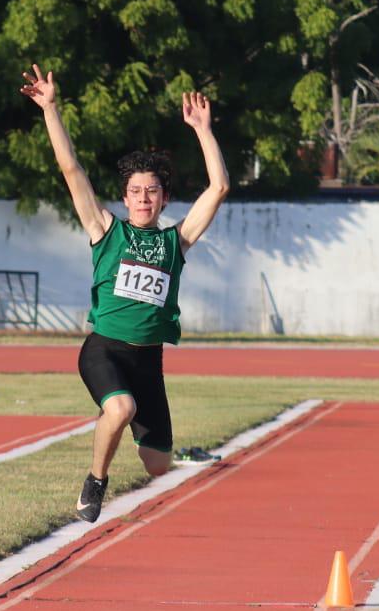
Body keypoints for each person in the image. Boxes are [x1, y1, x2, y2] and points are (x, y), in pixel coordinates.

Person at [21, 63, 230, 523]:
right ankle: (95, 480)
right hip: (105, 351)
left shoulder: (176, 241)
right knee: (120, 407)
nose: (142, 198)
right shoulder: (105, 231)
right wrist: (51, 109)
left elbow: (219, 187)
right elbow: (70, 168)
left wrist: (203, 131)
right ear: (124, 197)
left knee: (159, 466)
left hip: (149, 362)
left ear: (163, 199)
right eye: (135, 191)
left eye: (151, 191)